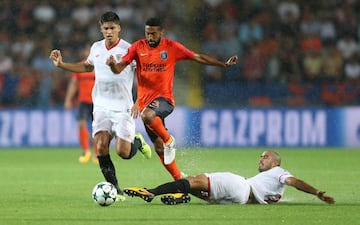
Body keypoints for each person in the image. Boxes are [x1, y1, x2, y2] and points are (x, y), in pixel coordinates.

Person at [107, 17, 238, 180]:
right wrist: (113, 65)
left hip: (164, 100)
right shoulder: (137, 47)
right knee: (159, 148)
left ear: (162, 32)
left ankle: (170, 141)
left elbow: (197, 57)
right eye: (147, 33)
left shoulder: (171, 47)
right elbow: (119, 68)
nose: (150, 37)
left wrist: (222, 64)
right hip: (146, 104)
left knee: (147, 116)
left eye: (153, 34)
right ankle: (179, 179)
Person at [49, 11, 151, 201]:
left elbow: (143, 77)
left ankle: (137, 142)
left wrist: (139, 101)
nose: (109, 31)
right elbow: (87, 67)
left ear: (119, 28)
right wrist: (62, 65)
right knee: (101, 146)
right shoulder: (96, 47)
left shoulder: (129, 49)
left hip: (123, 108)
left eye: (113, 28)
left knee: (123, 152)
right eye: (106, 28)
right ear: (101, 29)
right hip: (101, 107)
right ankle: (116, 190)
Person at [124, 150, 335, 205]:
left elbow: (295, 182)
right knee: (196, 186)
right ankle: (181, 196)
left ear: (276, 163)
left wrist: (316, 192)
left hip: (241, 187)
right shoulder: (272, 187)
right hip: (240, 200)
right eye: (261, 156)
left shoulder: (279, 172)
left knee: (194, 179)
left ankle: (151, 192)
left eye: (266, 156)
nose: (262, 159)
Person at [64, 45, 98, 164]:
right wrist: (68, 99)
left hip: (97, 101)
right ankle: (86, 151)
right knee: (81, 124)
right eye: (85, 50)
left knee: (98, 128)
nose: (87, 52)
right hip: (83, 101)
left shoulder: (99, 66)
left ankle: (97, 154)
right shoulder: (80, 67)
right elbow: (73, 84)